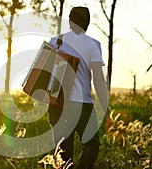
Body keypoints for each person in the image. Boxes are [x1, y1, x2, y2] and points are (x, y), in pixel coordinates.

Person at [47, 6, 112, 169]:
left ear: (70, 21)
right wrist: (106, 110)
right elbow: (98, 79)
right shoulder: (93, 44)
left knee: (63, 156)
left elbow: (43, 74)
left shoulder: (55, 42)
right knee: (93, 144)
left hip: (57, 105)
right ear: (88, 23)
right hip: (83, 106)